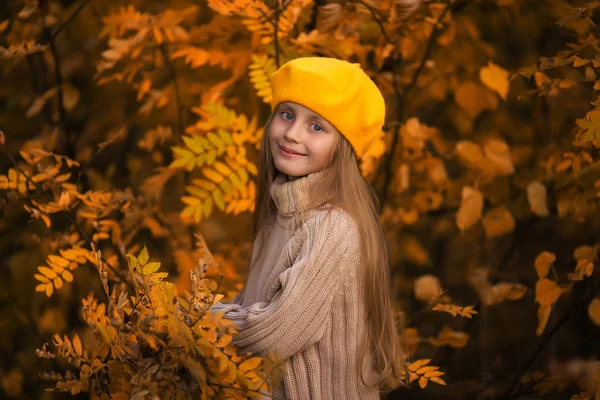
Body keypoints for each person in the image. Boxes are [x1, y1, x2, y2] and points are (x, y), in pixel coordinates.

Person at [210, 56, 405, 399]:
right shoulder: (280, 214)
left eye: (317, 126)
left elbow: (275, 332)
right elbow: (251, 307)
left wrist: (194, 320)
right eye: (287, 115)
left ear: (341, 148)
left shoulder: (331, 226)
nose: (292, 133)